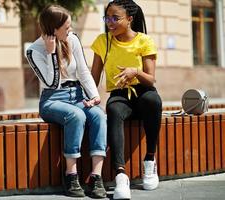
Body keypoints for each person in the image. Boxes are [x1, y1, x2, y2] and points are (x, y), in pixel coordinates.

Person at [25, 5, 107, 199]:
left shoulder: (73, 39)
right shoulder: (33, 51)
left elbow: (83, 72)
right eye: (66, 27)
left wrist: (94, 95)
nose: (70, 30)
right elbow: (51, 83)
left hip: (77, 95)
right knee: (75, 115)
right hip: (52, 100)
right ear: (53, 29)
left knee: (98, 115)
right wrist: (51, 53)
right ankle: (71, 175)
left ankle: (97, 176)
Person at [91, 0, 162, 199]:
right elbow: (93, 78)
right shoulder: (103, 41)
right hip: (120, 96)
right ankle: (121, 175)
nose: (110, 22)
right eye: (107, 18)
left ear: (129, 19)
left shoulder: (144, 41)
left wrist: (135, 72)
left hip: (143, 92)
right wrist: (87, 98)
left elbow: (151, 79)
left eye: (116, 18)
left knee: (154, 101)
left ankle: (149, 160)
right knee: (113, 109)